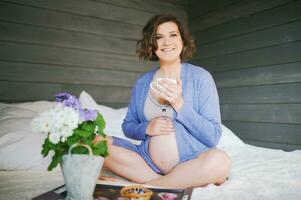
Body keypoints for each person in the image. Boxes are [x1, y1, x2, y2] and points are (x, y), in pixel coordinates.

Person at [96, 14, 231, 189]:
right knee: (96, 142)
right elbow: (128, 126)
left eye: (173, 35)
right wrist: (147, 128)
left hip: (190, 161)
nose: (167, 42)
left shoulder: (200, 77)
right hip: (146, 162)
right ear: (152, 44)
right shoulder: (142, 83)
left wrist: (179, 104)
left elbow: (212, 137)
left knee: (221, 162)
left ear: (183, 40)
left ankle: (154, 185)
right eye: (159, 37)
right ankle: (169, 182)